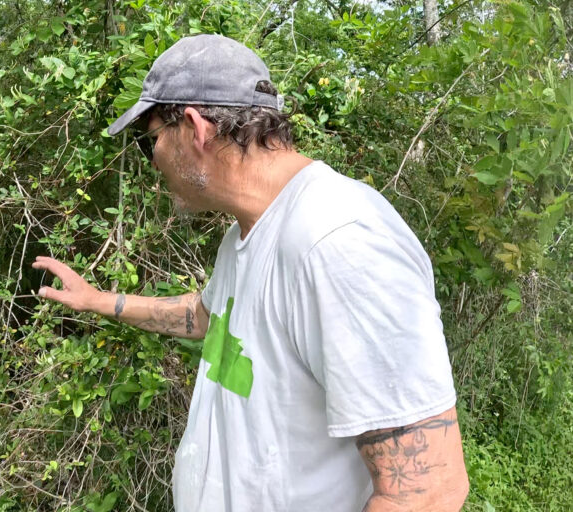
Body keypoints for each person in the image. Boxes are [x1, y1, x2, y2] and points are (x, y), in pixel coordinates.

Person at [33, 35, 469, 511]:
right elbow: (206, 316)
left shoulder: (337, 239)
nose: (152, 159)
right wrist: (98, 300)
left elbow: (427, 491)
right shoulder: (248, 234)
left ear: (195, 128)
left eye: (150, 138)